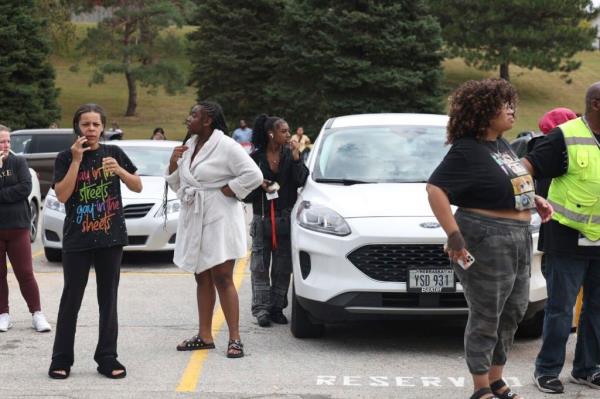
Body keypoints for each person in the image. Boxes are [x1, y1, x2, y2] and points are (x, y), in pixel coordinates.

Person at [426, 78, 552, 399]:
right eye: (504, 105)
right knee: (486, 313)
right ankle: (481, 387)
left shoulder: (501, 145)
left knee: (514, 310)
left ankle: (497, 378)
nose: (511, 111)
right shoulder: (467, 148)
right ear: (483, 111)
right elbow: (435, 189)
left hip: (520, 236)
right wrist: (453, 234)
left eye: (512, 104)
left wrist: (532, 200)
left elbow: (508, 183)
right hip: (486, 236)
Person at [48, 104, 142, 380]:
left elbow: (137, 185)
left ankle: (107, 357)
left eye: (96, 125)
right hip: (78, 238)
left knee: (108, 299)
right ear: (77, 127)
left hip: (111, 238)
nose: (91, 129)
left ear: (103, 127)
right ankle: (61, 358)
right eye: (85, 124)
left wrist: (120, 172)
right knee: (71, 301)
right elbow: (63, 196)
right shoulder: (65, 157)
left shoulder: (113, 152)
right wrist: (77, 161)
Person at [166, 102, 262, 358]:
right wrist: (173, 163)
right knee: (201, 275)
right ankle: (205, 335)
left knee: (222, 276)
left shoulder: (227, 145)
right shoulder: (190, 144)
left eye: (194, 115)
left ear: (208, 120)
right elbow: (180, 183)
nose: (189, 119)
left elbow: (254, 174)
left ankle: (235, 339)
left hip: (220, 214)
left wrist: (230, 190)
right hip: (195, 213)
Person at [522, 83, 600, 394]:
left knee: (597, 310)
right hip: (566, 238)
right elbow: (524, 169)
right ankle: (547, 370)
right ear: (596, 103)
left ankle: (587, 369)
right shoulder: (564, 136)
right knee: (560, 309)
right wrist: (530, 202)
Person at [244, 115, 309, 327]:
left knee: (283, 267)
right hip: (262, 219)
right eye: (284, 131)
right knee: (259, 267)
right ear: (271, 133)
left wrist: (297, 157)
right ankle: (261, 310)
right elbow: (243, 193)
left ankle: (277, 308)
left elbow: (302, 180)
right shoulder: (254, 158)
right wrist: (258, 183)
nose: (288, 135)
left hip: (285, 219)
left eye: (289, 131)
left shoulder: (291, 157)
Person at [0, 125, 51, 333]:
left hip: (18, 226)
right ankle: (3, 314)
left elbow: (24, 189)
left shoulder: (18, 161)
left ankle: (37, 314)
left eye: (7, 142)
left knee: (25, 273)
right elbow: (15, 190)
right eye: (1, 142)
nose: (5, 145)